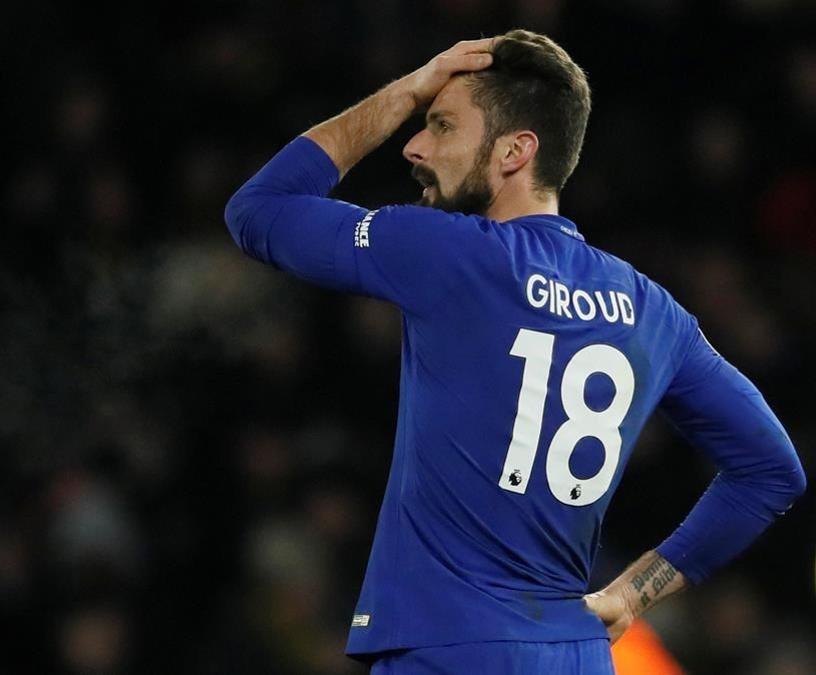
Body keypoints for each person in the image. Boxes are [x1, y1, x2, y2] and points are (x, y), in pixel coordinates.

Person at [224, 29, 806, 674]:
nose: (415, 145)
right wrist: (635, 594)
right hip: (576, 656)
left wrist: (406, 89)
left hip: (449, 648)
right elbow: (771, 469)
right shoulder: (651, 309)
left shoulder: (449, 252)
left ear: (514, 151)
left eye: (441, 126)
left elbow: (259, 210)